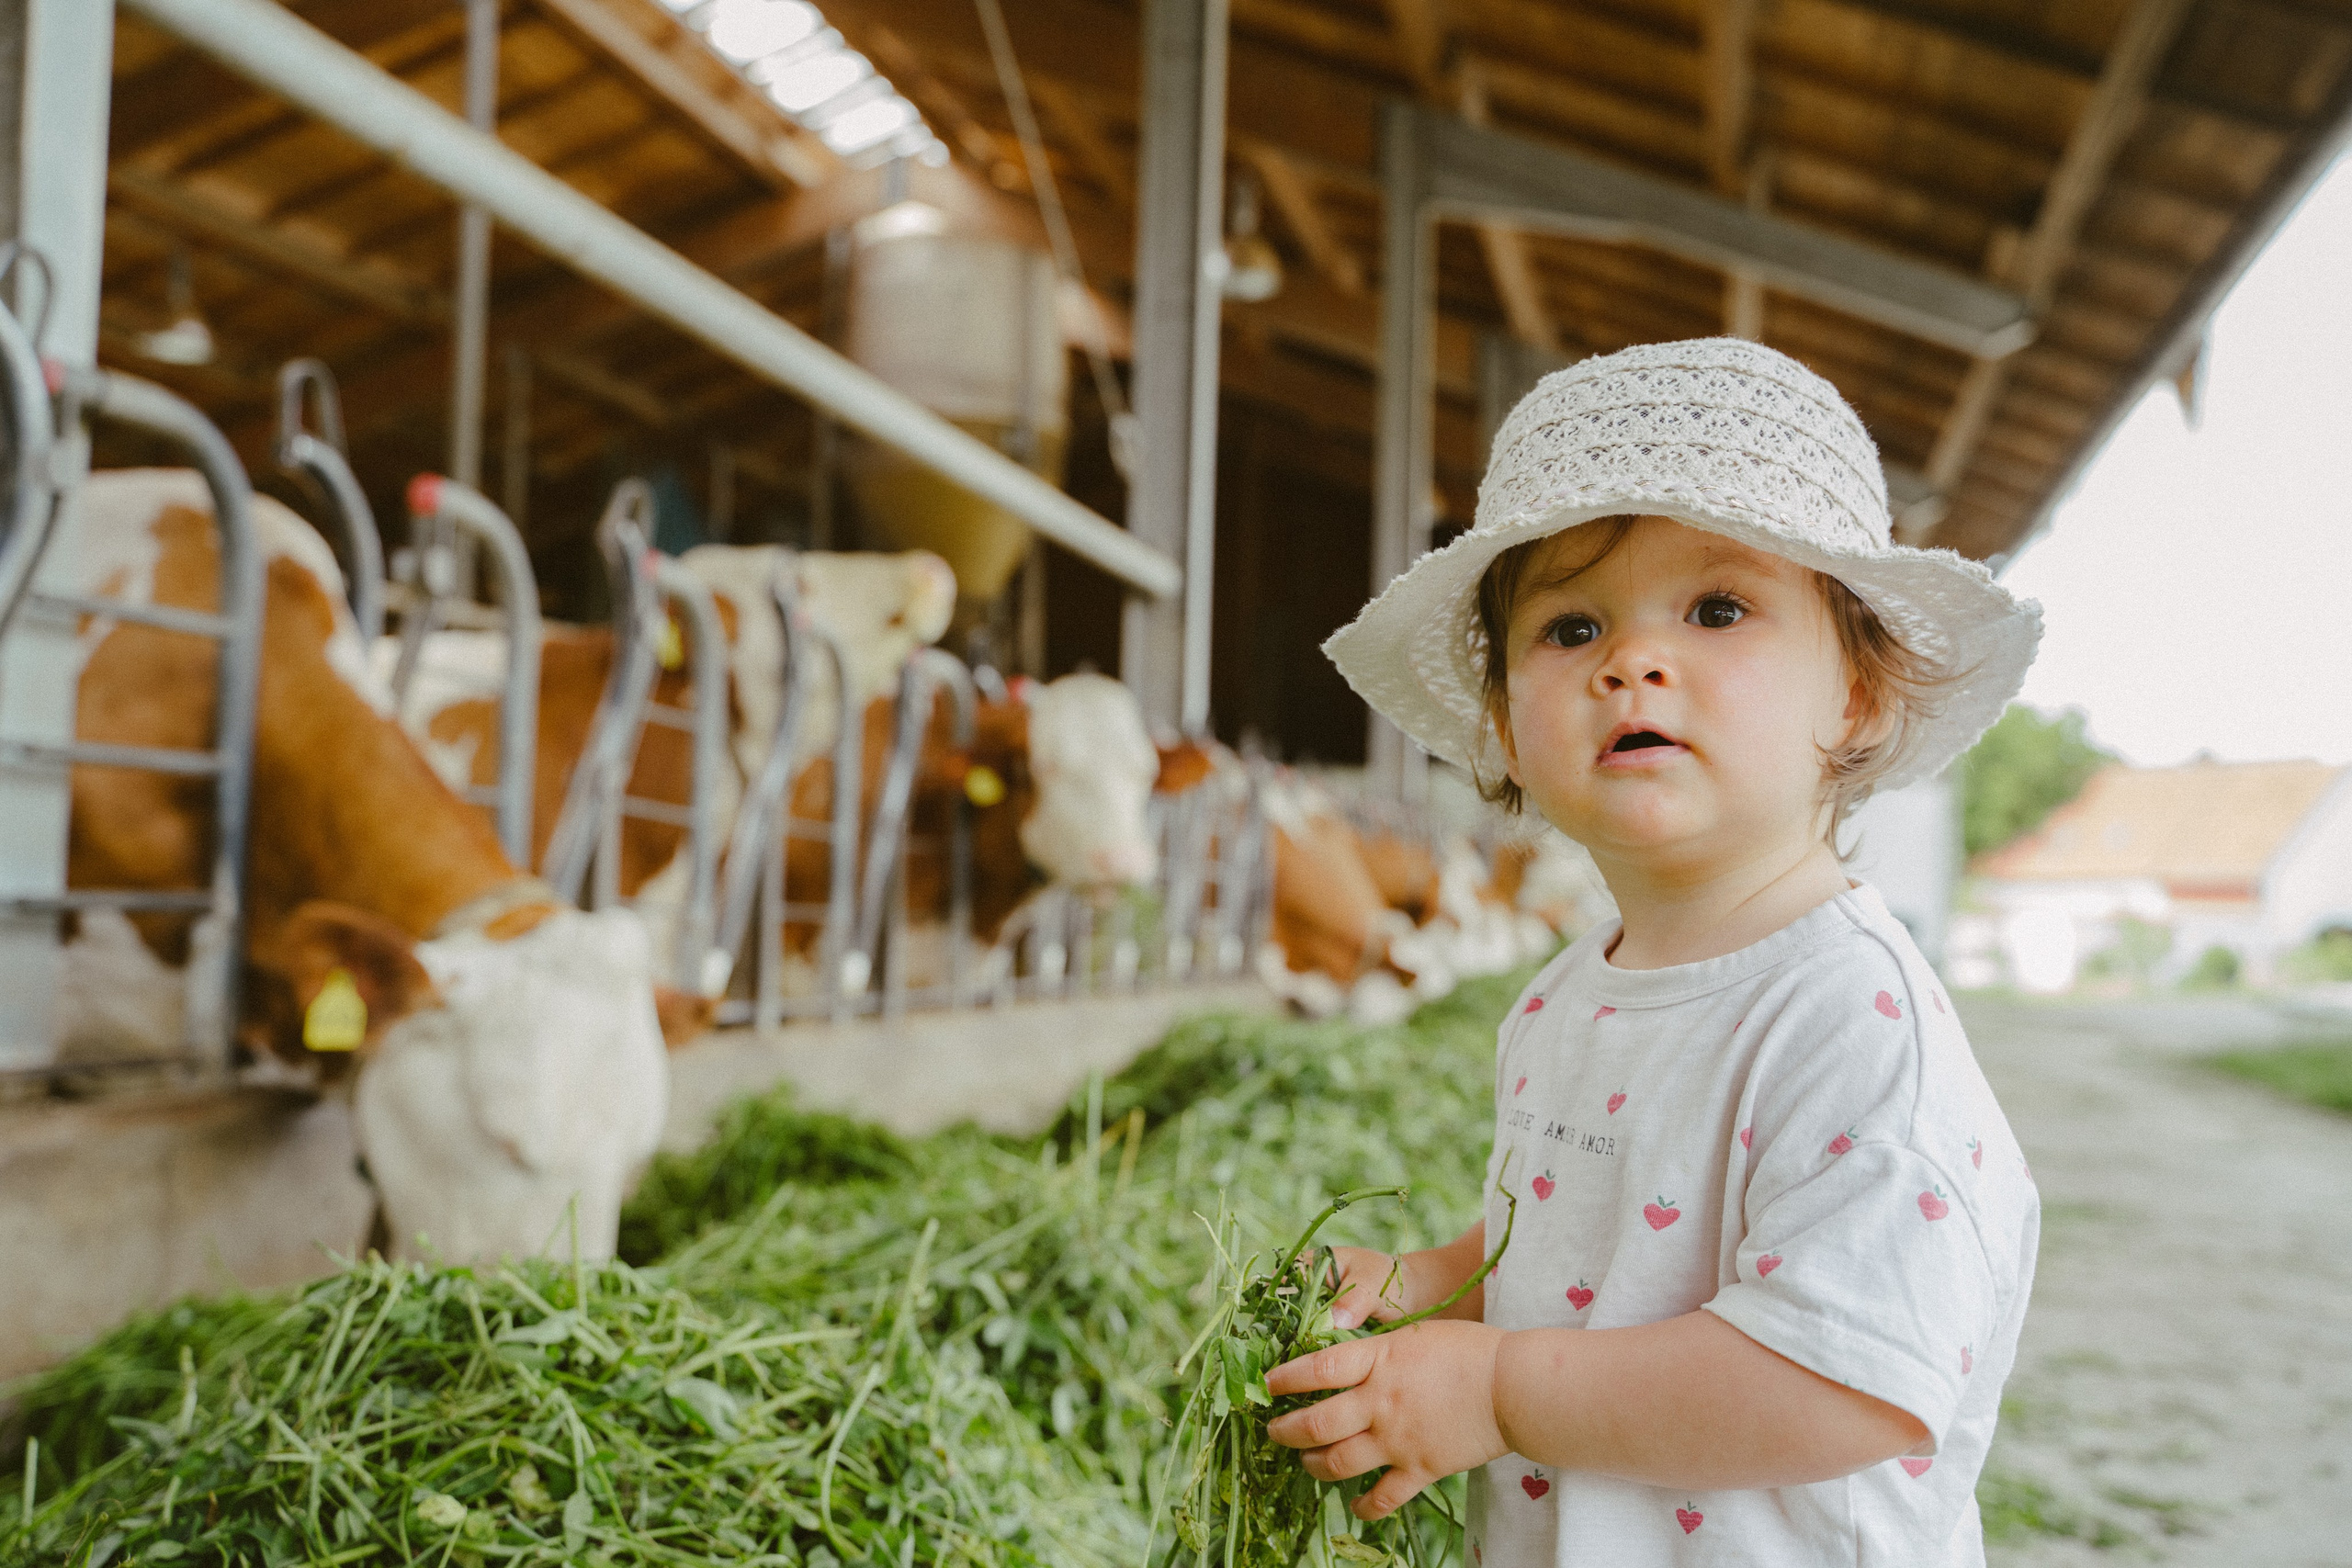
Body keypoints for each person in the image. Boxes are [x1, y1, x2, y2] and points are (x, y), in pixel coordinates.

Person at [1270, 338, 2043, 1565]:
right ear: (1506, 729)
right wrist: (1428, 1290)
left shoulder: (1848, 1021)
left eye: (1718, 609)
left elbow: (1843, 1381)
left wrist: (1500, 1393)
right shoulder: (1563, 1000)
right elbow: (1566, 1257)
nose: (1632, 661)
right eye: (1571, 627)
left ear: (1853, 695)